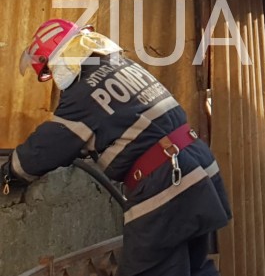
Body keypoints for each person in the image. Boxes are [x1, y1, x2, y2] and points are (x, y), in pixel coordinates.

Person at [1, 19, 232, 276]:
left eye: (50, 69)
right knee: (195, 267)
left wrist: (10, 171)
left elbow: (47, 147)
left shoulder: (81, 92)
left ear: (60, 60)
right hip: (199, 168)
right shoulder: (124, 67)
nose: (54, 78)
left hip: (166, 183)